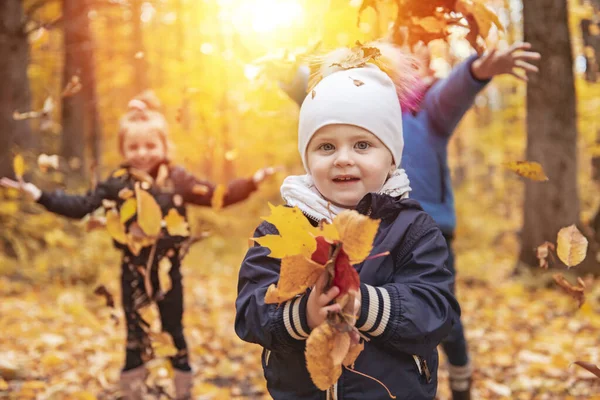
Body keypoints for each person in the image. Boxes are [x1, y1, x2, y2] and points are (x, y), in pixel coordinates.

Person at [280, 41, 541, 400]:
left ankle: (460, 375)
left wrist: (478, 68)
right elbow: (309, 86)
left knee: (435, 306)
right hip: (348, 224)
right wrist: (279, 66)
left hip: (423, 222)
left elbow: (454, 91)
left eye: (362, 146)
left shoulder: (425, 110)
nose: (346, 156)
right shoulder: (338, 105)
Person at [1, 91, 276, 400]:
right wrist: (40, 195)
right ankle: (133, 391)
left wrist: (251, 182)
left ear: (163, 146)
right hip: (132, 270)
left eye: (150, 145)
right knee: (135, 333)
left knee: (174, 330)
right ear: (123, 149)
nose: (142, 152)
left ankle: (181, 390)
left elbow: (216, 196)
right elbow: (80, 205)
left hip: (169, 272)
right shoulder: (118, 182)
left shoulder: (176, 178)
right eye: (134, 146)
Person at [235, 44, 460, 399]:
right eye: (326, 147)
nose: (343, 159)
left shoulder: (412, 229)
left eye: (362, 145)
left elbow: (435, 311)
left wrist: (365, 304)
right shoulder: (283, 229)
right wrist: (302, 315)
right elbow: (250, 312)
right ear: (307, 157)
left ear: (391, 158)